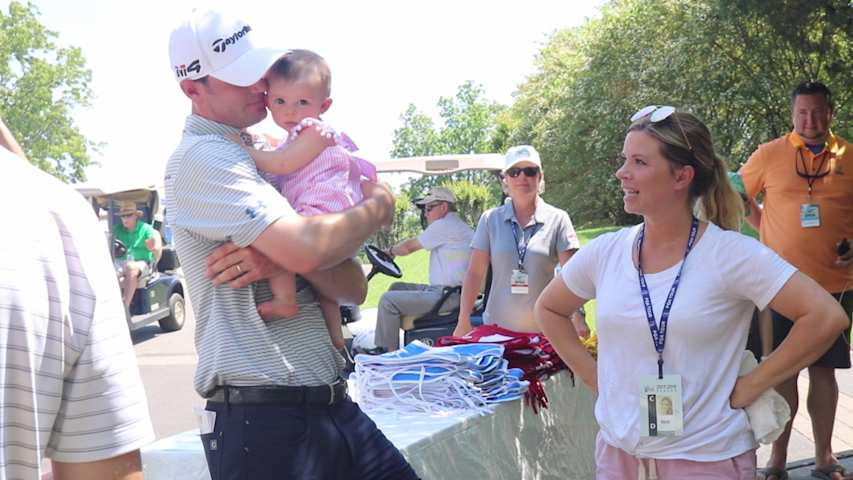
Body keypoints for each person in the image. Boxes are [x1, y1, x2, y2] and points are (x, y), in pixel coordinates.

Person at [166, 8, 418, 480]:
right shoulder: (206, 158)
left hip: (327, 407)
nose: (262, 85)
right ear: (192, 88)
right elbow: (309, 249)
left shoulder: (259, 150)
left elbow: (351, 287)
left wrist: (287, 254)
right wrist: (377, 210)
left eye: (258, 69)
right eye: (241, 78)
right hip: (267, 423)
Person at [534, 105, 848, 479]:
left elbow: (826, 317)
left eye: (639, 162)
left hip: (707, 457)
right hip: (620, 455)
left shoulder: (729, 254)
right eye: (624, 160)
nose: (622, 173)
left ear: (681, 176)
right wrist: (593, 377)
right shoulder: (607, 251)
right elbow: (549, 308)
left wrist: (753, 384)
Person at [0, 121, 154, 479]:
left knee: (131, 271)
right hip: (88, 264)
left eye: (131, 213)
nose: (128, 217)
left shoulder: (138, 230)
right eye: (126, 213)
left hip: (135, 264)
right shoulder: (57, 210)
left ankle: (127, 302)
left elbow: (151, 249)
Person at [739, 81, 853, 480]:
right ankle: (777, 461)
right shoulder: (770, 154)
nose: (811, 120)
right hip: (779, 284)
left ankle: (825, 457)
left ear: (830, 112)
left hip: (835, 285)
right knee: (782, 371)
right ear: (792, 114)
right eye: (803, 112)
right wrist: (763, 227)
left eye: (818, 112)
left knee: (825, 372)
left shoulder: (849, 154)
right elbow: (738, 193)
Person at [232, 49, 377, 350]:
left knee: (285, 245)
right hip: (320, 207)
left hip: (322, 205)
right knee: (324, 284)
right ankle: (337, 337)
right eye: (280, 101)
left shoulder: (316, 131)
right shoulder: (296, 136)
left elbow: (282, 164)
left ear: (324, 105)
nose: (289, 112)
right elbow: (282, 155)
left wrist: (242, 150)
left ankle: (285, 300)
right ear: (268, 97)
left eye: (302, 103)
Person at [453, 145, 586, 337]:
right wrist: (463, 319)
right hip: (497, 332)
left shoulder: (558, 219)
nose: (522, 177)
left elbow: (574, 273)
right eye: (514, 172)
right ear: (505, 179)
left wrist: (578, 315)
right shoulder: (490, 219)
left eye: (530, 171)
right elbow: (474, 273)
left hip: (547, 332)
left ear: (540, 177)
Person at [374, 186, 474, 352]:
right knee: (396, 288)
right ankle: (390, 347)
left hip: (449, 296)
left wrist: (390, 251)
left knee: (387, 301)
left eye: (429, 208)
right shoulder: (455, 225)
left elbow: (408, 247)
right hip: (449, 292)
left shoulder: (445, 225)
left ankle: (388, 355)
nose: (425, 214)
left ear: (443, 207)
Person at [114, 200, 162, 308]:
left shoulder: (146, 229)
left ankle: (125, 307)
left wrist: (153, 248)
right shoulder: (117, 229)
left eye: (128, 215)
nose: (125, 218)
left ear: (136, 216)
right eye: (123, 216)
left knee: (130, 266)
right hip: (121, 263)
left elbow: (156, 248)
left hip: (142, 263)